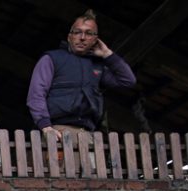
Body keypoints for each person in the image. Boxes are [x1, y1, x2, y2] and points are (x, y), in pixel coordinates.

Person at [26, 9, 136, 140]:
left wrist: (107, 54)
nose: (82, 37)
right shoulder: (52, 59)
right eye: (77, 32)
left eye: (89, 33)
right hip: (58, 131)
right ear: (69, 36)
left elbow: (128, 81)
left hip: (89, 135)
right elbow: (36, 94)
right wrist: (46, 127)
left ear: (96, 39)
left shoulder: (97, 65)